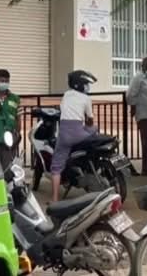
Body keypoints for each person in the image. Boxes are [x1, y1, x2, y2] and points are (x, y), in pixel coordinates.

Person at [51, 70, 97, 202]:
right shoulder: (86, 98)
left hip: (64, 134)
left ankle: (54, 198)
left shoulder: (66, 95)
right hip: (79, 134)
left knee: (56, 167)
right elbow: (90, 119)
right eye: (86, 84)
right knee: (94, 129)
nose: (88, 86)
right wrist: (89, 125)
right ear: (80, 84)